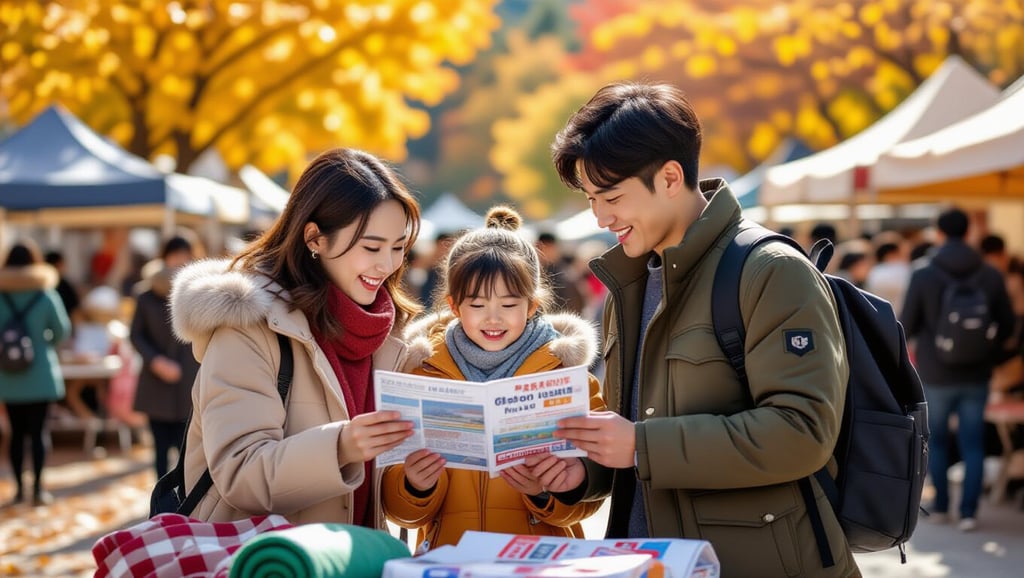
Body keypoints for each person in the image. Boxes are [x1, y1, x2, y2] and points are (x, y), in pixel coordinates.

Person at [531, 81, 858, 577]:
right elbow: (636, 424)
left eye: (611, 196)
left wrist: (640, 445)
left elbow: (803, 431)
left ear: (668, 177)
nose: (599, 216)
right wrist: (583, 472)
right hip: (646, 562)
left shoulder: (769, 270)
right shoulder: (630, 279)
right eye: (592, 199)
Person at [167, 148, 420, 526]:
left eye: (398, 248)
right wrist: (341, 446)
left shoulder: (391, 337)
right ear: (315, 238)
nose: (387, 265)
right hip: (267, 560)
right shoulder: (248, 326)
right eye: (371, 247)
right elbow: (239, 473)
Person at [382, 206, 606, 550]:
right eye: (477, 305)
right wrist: (415, 484)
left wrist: (545, 490)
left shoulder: (566, 376)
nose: (493, 319)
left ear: (531, 306)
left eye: (508, 304)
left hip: (539, 561)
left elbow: (587, 500)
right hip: (452, 559)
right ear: (454, 306)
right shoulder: (420, 373)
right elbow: (401, 513)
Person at [900, 207, 1016, 532]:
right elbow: (1008, 324)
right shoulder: (990, 273)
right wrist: (988, 351)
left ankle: (939, 507)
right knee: (973, 442)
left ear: (938, 233)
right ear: (969, 232)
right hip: (977, 372)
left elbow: (906, 323)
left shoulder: (923, 272)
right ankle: (969, 513)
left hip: (936, 372)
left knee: (934, 439)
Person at [0, 241, 71, 506]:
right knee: (39, 433)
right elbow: (62, 331)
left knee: (16, 434)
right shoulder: (45, 293)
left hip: (7, 375)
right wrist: (41, 344)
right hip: (40, 372)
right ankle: (39, 489)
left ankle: (19, 490)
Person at [131, 236, 200, 479]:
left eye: (185, 255)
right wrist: (156, 361)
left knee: (188, 448)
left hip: (190, 380)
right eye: (175, 255)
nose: (180, 261)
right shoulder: (145, 295)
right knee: (159, 448)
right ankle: (161, 501)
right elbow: (136, 335)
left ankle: (185, 500)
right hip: (156, 381)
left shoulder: (200, 292)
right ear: (164, 257)